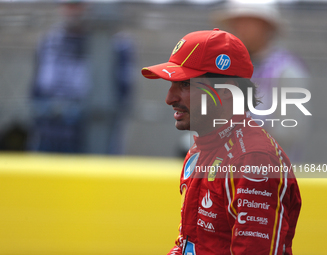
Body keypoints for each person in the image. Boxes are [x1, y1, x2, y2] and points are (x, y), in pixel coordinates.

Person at [141, 29, 301, 255]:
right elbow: (189, 244)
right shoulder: (203, 146)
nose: (169, 98)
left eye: (185, 84)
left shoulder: (252, 160)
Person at [29, 0, 135, 153]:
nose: (73, 11)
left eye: (78, 4)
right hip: (48, 138)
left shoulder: (117, 45)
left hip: (93, 141)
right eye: (68, 5)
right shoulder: (48, 42)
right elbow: (36, 90)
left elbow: (123, 97)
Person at [214, 1, 309, 162]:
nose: (239, 28)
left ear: (267, 27)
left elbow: (291, 130)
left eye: (247, 22)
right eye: (236, 22)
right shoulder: (226, 67)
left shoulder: (286, 70)